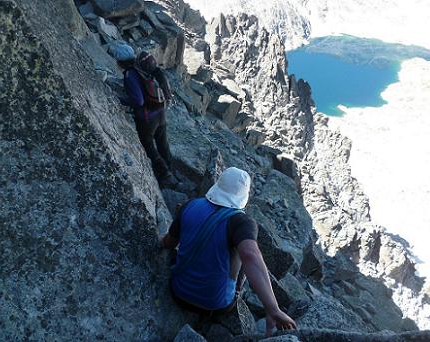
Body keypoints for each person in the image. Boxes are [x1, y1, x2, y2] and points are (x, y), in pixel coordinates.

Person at [160, 167, 297, 336]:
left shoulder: (190, 205)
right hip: (216, 304)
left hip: (178, 291)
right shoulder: (241, 222)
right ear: (243, 196)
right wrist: (273, 309)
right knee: (244, 248)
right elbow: (250, 255)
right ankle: (236, 293)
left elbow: (168, 242)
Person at [119, 50, 176, 188]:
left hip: (147, 118)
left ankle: (165, 176)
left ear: (120, 61)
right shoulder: (146, 69)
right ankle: (171, 170)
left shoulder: (130, 74)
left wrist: (120, 100)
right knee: (163, 143)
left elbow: (138, 101)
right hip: (160, 112)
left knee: (149, 146)